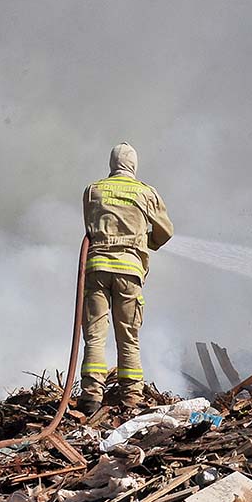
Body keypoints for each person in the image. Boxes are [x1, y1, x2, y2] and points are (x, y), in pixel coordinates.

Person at [79, 143, 173, 414]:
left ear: (112, 164)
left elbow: (90, 227)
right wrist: (146, 241)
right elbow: (165, 232)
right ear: (134, 164)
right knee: (128, 336)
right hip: (129, 272)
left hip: (97, 268)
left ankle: (91, 396)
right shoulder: (146, 192)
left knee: (94, 335)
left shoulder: (93, 190)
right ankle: (131, 396)